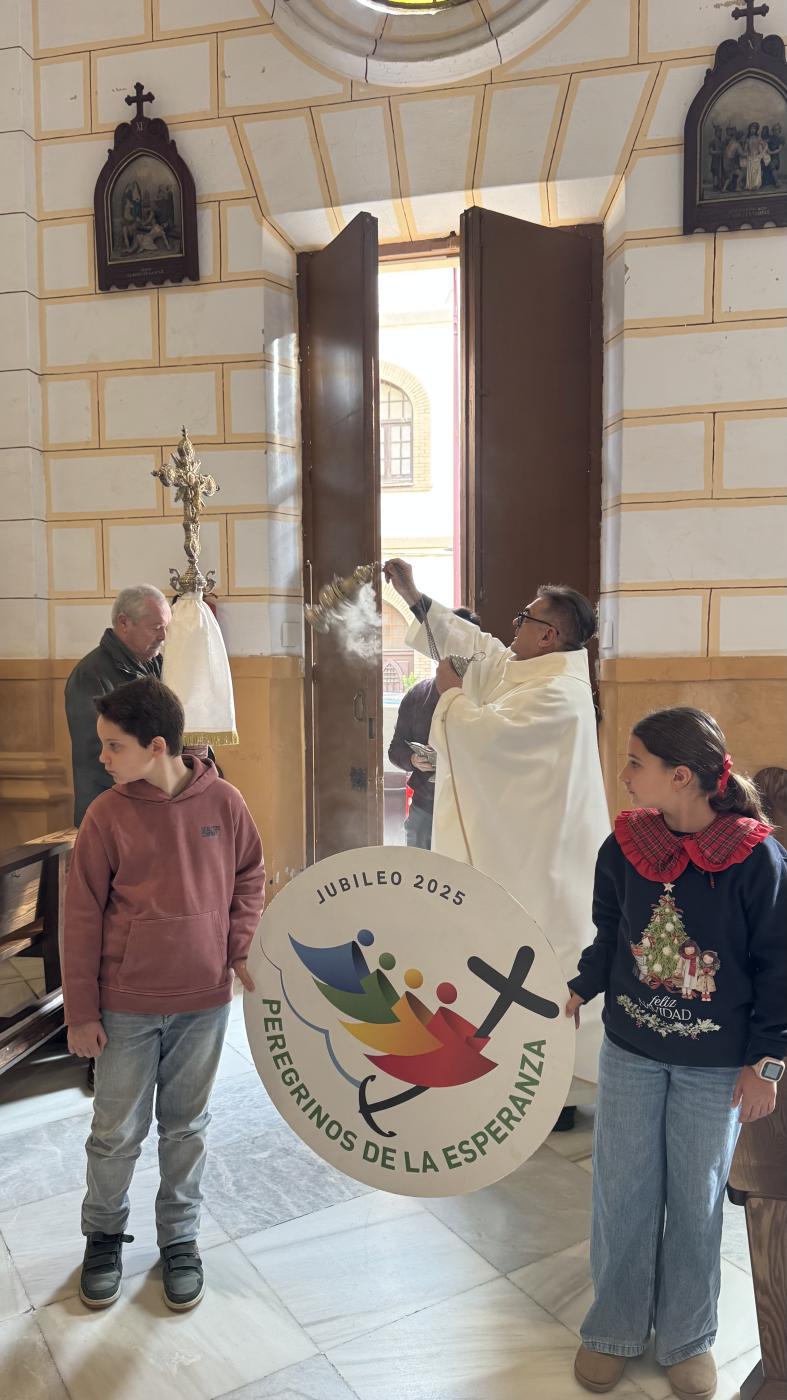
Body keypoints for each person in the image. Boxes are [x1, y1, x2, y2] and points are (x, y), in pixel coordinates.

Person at [566, 707, 786, 1400]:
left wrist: (767, 1064)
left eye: (636, 762)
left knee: (694, 1200)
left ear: (680, 776)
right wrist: (583, 983)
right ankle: (612, 1329)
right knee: (622, 1193)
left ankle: (688, 1336)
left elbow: (779, 967)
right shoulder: (624, 846)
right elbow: (610, 932)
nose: (624, 775)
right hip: (630, 1052)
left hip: (712, 1066)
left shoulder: (757, 859)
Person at [62, 676, 265, 1312]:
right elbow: (81, 916)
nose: (101, 757)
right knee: (116, 1132)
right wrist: (81, 1012)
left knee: (186, 1128)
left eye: (112, 746)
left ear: (157, 746)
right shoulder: (107, 814)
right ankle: (103, 1236)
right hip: (125, 1005)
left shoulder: (225, 803)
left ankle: (179, 1240)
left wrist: (237, 948)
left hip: (203, 1002)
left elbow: (249, 877)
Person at [383, 558, 609, 1116]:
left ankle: (555, 1088)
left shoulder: (560, 694)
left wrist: (452, 698)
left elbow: (491, 740)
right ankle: (508, 1071)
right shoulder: (526, 669)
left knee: (545, 961)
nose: (513, 628)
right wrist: (414, 596)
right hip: (521, 852)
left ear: (548, 635)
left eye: (523, 619)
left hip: (548, 861)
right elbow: (474, 645)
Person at [65, 585, 171, 827]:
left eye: (166, 628)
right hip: (111, 812)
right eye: (156, 628)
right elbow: (99, 755)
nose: (163, 637)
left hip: (150, 802)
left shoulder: (155, 666)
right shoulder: (91, 676)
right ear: (124, 623)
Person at [388, 606, 481, 849]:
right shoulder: (417, 695)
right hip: (424, 806)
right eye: (446, 642)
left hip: (470, 808)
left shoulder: (485, 695)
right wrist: (412, 760)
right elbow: (395, 749)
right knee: (417, 875)